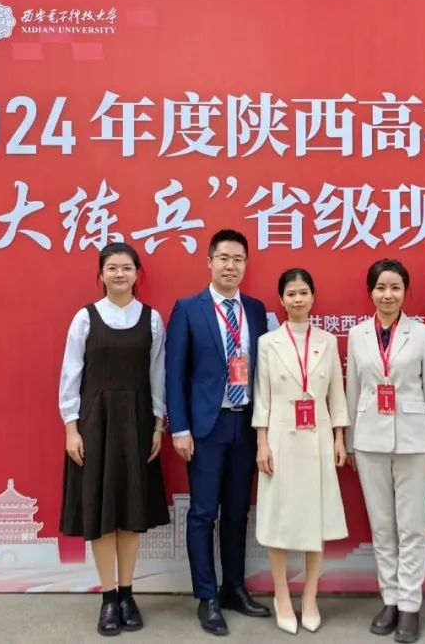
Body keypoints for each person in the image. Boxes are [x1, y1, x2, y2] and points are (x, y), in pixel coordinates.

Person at [59, 242, 170, 637]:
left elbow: (158, 374)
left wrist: (158, 425)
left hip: (138, 422)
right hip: (96, 423)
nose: (120, 274)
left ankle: (127, 593)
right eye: (112, 268)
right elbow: (71, 373)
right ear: (101, 274)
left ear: (138, 274)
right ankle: (108, 598)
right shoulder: (85, 318)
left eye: (126, 267)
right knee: (102, 513)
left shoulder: (152, 320)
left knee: (131, 511)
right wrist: (71, 427)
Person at [166, 229, 272, 636]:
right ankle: (207, 596)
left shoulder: (257, 310)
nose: (231, 266)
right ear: (209, 261)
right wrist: (181, 428)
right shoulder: (188, 309)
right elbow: (175, 374)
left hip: (245, 423)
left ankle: (234, 589)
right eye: (224, 258)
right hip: (206, 428)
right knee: (203, 513)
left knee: (237, 512)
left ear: (246, 265)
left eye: (238, 259)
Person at [345, 258, 425, 644]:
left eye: (395, 288)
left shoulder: (422, 335)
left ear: (405, 291)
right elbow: (353, 389)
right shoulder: (358, 334)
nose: (387, 295)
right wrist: (350, 441)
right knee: (381, 526)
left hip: (415, 441)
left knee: (411, 528)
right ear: (370, 292)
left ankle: (409, 605)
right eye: (380, 288)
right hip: (369, 441)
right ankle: (389, 599)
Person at [254, 268, 350, 635]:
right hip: (280, 439)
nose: (298, 299)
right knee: (279, 519)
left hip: (318, 438)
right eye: (291, 293)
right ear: (281, 300)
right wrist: (262, 442)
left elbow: (336, 394)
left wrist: (339, 438)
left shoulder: (327, 341)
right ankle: (282, 596)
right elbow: (262, 398)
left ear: (313, 297)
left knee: (315, 519)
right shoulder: (268, 343)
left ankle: (310, 597)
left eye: (303, 293)